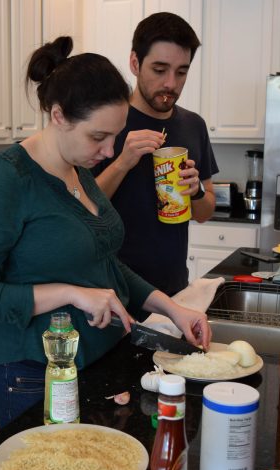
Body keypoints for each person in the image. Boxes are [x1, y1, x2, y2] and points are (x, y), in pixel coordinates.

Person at [0, 36, 211, 429]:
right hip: (32, 375)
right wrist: (71, 294)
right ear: (58, 116)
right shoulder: (5, 178)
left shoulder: (79, 171)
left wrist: (172, 308)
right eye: (98, 137)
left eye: (116, 136)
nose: (110, 151)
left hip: (96, 361)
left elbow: (105, 264)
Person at [92, 12, 218, 296]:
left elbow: (205, 212)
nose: (171, 84)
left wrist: (195, 189)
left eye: (182, 71)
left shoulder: (193, 125)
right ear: (135, 63)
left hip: (173, 288)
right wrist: (122, 163)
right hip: (112, 292)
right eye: (160, 70)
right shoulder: (105, 123)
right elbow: (79, 208)